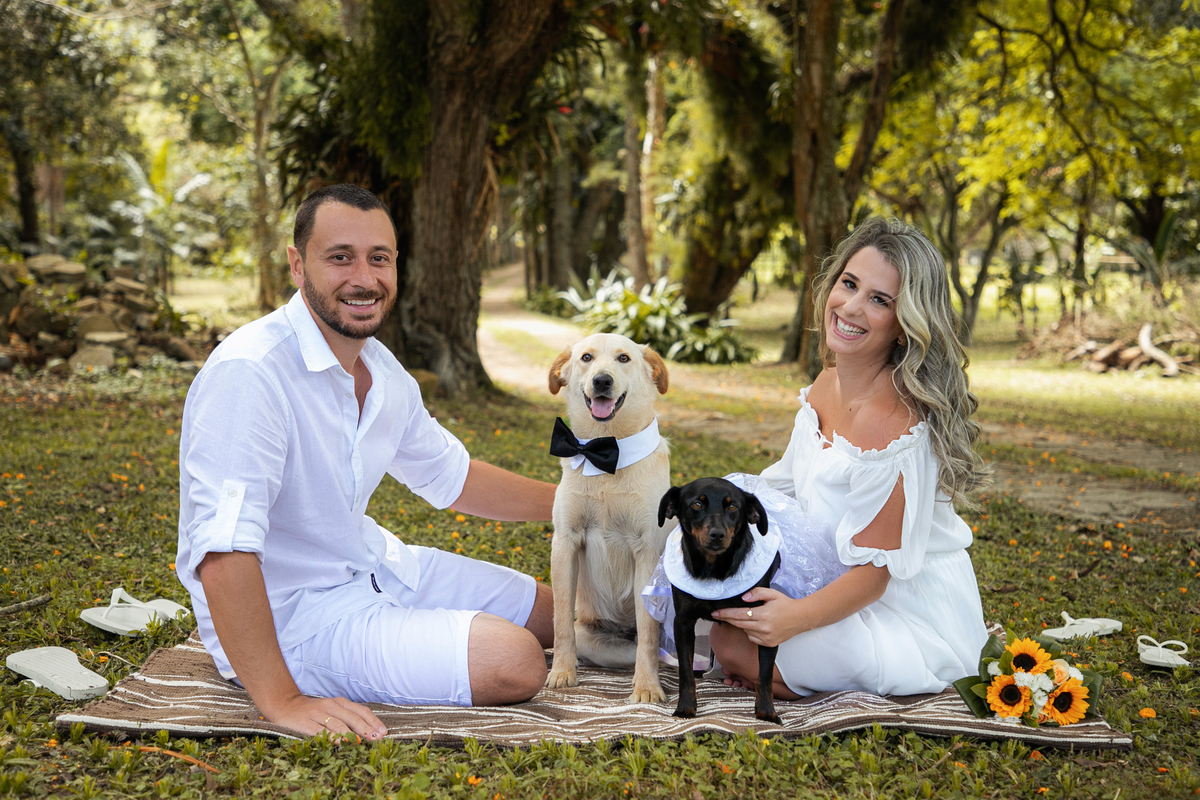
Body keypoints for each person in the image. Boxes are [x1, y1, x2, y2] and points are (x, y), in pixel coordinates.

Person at [175, 184, 557, 740]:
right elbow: (222, 550)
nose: (364, 278)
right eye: (340, 257)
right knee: (515, 660)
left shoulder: (380, 369)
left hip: (376, 566)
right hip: (296, 618)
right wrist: (282, 700)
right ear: (297, 265)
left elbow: (452, 477)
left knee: (558, 615)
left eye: (379, 258)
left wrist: (581, 503)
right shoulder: (251, 372)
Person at [708, 217, 990, 698]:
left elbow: (874, 578)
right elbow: (784, 491)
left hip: (902, 607)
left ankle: (779, 674)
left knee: (731, 642)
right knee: (708, 611)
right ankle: (773, 671)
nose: (852, 307)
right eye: (849, 284)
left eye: (880, 300)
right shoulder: (825, 383)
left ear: (905, 326)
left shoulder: (892, 423)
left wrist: (793, 617)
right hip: (828, 580)